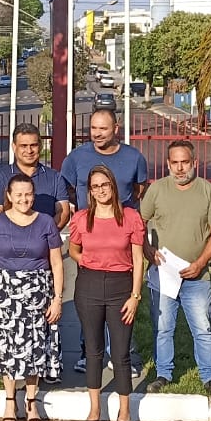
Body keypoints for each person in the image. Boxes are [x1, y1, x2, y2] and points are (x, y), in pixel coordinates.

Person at [61, 107, 149, 375]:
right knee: (90, 301)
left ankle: (123, 354)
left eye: (103, 128)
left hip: (121, 238)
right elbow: (67, 188)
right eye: (93, 128)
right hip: (91, 238)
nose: (97, 133)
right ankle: (88, 352)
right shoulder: (77, 157)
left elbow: (138, 191)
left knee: (121, 300)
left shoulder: (134, 158)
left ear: (116, 129)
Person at [0, 172, 65, 421]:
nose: (24, 199)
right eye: (18, 195)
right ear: (9, 195)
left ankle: (31, 401)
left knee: (35, 346)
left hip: (37, 291)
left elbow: (57, 263)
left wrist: (57, 298)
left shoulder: (46, 222)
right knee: (7, 346)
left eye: (28, 194)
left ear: (33, 195)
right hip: (5, 292)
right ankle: (9, 400)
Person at [140, 139, 211, 398]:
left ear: (194, 163)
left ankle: (210, 377)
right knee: (163, 328)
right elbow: (137, 224)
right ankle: (163, 374)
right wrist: (147, 250)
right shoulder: (157, 190)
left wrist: (200, 263)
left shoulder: (207, 191)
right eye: (175, 163)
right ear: (168, 164)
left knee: (203, 329)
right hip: (163, 274)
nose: (180, 168)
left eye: (185, 162)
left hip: (197, 276)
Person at [68, 164, 146, 421]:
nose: (101, 190)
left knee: (121, 352)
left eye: (105, 185)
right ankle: (95, 407)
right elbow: (74, 249)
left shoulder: (130, 217)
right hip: (88, 285)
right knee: (93, 350)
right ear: (90, 191)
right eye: (95, 187)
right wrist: (86, 260)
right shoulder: (82, 218)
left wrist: (135, 296)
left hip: (121, 286)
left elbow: (138, 259)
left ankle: (124, 410)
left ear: (113, 185)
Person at [0, 121, 72, 227]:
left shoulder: (55, 177)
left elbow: (63, 212)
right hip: (9, 236)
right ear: (14, 147)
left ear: (40, 146)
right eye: (23, 146)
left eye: (33, 145)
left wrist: (47, 233)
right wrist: (14, 234)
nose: (29, 150)